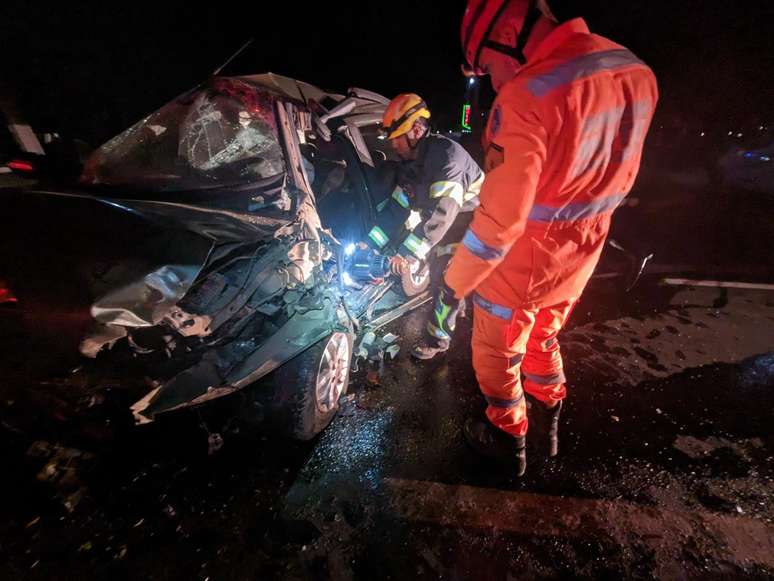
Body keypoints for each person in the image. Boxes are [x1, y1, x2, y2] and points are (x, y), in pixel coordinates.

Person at [436, 0, 658, 476]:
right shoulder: (636, 72)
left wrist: (453, 285)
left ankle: (507, 438)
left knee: (497, 351)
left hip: (524, 260)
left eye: (487, 66)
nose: (492, 80)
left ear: (507, 33)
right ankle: (548, 423)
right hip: (582, 253)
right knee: (544, 337)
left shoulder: (527, 94)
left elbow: (500, 223)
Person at [362, 93, 485, 359]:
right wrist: (368, 243)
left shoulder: (448, 158)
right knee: (438, 264)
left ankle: (438, 339)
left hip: (475, 218)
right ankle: (458, 306)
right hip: (447, 218)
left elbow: (441, 213)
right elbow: (396, 210)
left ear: (416, 130)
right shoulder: (411, 165)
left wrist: (407, 255)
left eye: (397, 137)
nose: (393, 144)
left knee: (447, 276)